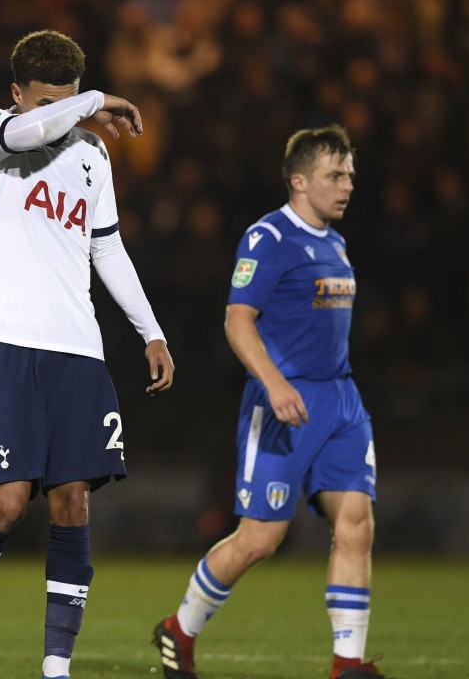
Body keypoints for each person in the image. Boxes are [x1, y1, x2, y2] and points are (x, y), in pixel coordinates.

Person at [0, 30, 175, 679]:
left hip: (77, 348)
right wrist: (90, 99)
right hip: (7, 339)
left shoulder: (93, 152)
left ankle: (56, 670)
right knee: (9, 503)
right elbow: (28, 135)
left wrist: (150, 330)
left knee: (73, 502)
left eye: (67, 104)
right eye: (45, 103)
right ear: (17, 95)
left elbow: (107, 246)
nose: (59, 118)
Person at [152, 125, 386, 679]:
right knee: (260, 540)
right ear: (299, 181)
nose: (348, 184)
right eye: (336, 175)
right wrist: (275, 383)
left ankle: (347, 665)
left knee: (356, 521)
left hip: (341, 400)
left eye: (350, 173)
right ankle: (178, 629)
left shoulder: (334, 240)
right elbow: (237, 321)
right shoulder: (268, 239)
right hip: (282, 402)